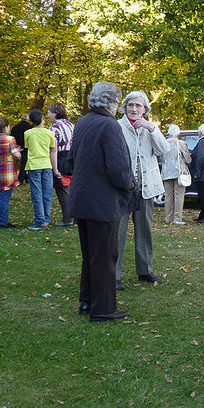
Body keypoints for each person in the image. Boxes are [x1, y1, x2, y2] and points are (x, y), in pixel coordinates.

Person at [67, 81, 135, 322]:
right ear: (112, 103)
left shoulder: (83, 122)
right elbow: (117, 168)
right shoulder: (109, 126)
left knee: (90, 255)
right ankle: (103, 309)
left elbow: (72, 159)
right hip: (102, 202)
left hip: (82, 199)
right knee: (105, 256)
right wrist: (130, 184)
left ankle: (86, 301)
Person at [116, 90, 169, 288]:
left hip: (145, 188)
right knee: (117, 233)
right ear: (125, 107)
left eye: (139, 106)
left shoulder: (150, 128)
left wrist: (152, 129)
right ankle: (114, 275)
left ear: (145, 109)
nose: (134, 109)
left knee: (145, 230)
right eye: (131, 105)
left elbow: (164, 151)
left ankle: (145, 271)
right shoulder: (117, 126)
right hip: (122, 188)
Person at [24, 109, 61, 230]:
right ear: (42, 119)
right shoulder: (50, 133)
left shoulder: (28, 133)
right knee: (47, 193)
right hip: (47, 165)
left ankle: (40, 220)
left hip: (34, 165)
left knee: (37, 193)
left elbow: (28, 148)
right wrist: (55, 168)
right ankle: (46, 218)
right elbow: (53, 151)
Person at [48, 103, 75, 227]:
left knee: (62, 189)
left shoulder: (54, 128)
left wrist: (54, 168)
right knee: (72, 188)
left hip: (61, 158)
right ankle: (76, 216)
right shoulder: (71, 125)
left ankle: (67, 218)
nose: (48, 115)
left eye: (49, 112)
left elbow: (53, 149)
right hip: (73, 158)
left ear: (55, 113)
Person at [161, 124, 191, 225]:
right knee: (179, 196)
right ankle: (177, 218)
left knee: (168, 196)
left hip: (166, 171)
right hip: (179, 172)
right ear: (178, 133)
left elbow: (160, 157)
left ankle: (168, 218)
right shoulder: (181, 143)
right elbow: (187, 158)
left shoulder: (164, 142)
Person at [10, 114, 32, 185]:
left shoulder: (15, 127)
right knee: (24, 164)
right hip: (27, 148)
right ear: (28, 119)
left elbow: (12, 138)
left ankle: (25, 178)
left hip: (17, 147)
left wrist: (17, 147)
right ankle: (21, 179)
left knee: (20, 164)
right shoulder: (31, 128)